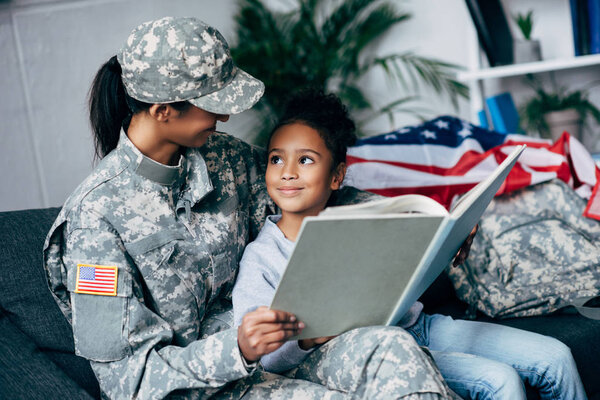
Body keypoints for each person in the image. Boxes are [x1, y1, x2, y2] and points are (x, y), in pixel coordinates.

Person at [43, 16, 452, 399]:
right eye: (212, 102)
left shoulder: (224, 158)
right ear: (162, 110)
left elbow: (311, 193)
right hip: (212, 386)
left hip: (284, 353)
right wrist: (236, 348)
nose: (224, 113)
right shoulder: (93, 222)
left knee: (394, 354)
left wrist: (418, 220)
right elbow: (127, 381)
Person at [231, 89, 588, 400]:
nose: (287, 171)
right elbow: (265, 358)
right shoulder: (261, 256)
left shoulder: (364, 218)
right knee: (500, 381)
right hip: (373, 354)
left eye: (305, 159)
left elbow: (411, 271)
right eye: (276, 159)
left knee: (556, 357)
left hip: (420, 327)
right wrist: (307, 339)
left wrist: (451, 238)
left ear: (337, 175)